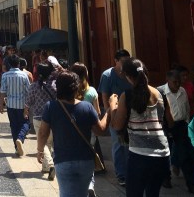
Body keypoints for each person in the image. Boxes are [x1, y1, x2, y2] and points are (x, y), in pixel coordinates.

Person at [37, 71, 109, 197]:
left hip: (63, 160)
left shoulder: (51, 107)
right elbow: (100, 130)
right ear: (76, 88)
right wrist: (109, 111)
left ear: (58, 88)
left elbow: (43, 133)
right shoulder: (87, 107)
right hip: (85, 160)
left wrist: (40, 150)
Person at [109, 58, 170, 196]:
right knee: (153, 193)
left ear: (128, 76)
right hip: (162, 154)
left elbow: (117, 125)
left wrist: (113, 105)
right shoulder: (160, 94)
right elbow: (170, 122)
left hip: (139, 155)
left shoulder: (127, 95)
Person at [157, 69, 194, 193]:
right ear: (167, 80)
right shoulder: (159, 92)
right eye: (175, 82)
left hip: (181, 125)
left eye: (179, 81)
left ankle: (192, 184)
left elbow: (186, 107)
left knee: (186, 155)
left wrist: (187, 122)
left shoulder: (182, 90)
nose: (178, 84)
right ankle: (165, 178)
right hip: (165, 125)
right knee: (164, 153)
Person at [98, 48, 131, 186]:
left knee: (130, 144)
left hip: (131, 113)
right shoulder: (107, 75)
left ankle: (131, 171)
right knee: (118, 144)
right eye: (123, 61)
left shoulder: (130, 72)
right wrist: (109, 115)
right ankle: (121, 174)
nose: (125, 64)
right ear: (116, 61)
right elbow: (105, 96)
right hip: (115, 113)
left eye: (127, 61)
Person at [71, 62, 102, 196]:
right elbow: (98, 112)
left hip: (73, 130)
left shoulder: (70, 91)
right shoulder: (92, 91)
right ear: (86, 74)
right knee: (89, 156)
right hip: (89, 130)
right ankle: (89, 183)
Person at [26, 62, 56, 179]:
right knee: (49, 142)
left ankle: (50, 165)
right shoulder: (55, 86)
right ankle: (46, 167)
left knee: (43, 142)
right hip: (53, 117)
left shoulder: (34, 86)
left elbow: (28, 102)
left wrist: (25, 111)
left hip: (38, 117)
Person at [0, 55, 31, 157]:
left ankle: (17, 148)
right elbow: (28, 91)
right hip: (22, 105)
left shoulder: (5, 75)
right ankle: (20, 139)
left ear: (9, 64)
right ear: (19, 63)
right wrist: (28, 106)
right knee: (26, 123)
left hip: (10, 105)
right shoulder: (24, 75)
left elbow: (2, 91)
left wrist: (1, 105)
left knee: (13, 125)